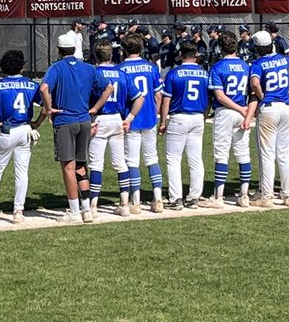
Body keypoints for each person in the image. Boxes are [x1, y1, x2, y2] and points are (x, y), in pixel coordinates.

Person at [40, 32, 112, 223]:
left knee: (68, 167)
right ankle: (86, 208)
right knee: (81, 165)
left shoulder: (56, 68)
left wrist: (48, 109)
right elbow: (108, 87)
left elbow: (44, 88)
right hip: (84, 120)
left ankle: (73, 210)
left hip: (65, 120)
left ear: (59, 50)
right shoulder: (88, 68)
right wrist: (95, 108)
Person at [0, 49, 44, 223]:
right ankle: (18, 211)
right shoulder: (31, 84)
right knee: (21, 172)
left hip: (7, 129)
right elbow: (46, 106)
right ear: (22, 67)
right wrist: (37, 122)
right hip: (25, 129)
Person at [88, 40, 142, 217]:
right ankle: (124, 204)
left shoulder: (93, 73)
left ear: (96, 56)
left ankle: (93, 206)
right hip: (117, 119)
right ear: (111, 55)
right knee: (120, 163)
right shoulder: (122, 73)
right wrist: (129, 118)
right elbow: (139, 98)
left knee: (96, 164)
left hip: (100, 118)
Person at [245, 30, 289, 207]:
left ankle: (267, 195)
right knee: (284, 154)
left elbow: (254, 83)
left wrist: (261, 97)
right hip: (286, 108)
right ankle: (287, 193)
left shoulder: (258, 63)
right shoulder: (283, 60)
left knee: (267, 154)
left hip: (270, 108)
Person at [159, 39, 213, 209]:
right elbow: (209, 99)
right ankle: (194, 197)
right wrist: (204, 117)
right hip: (197, 116)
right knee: (195, 159)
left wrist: (162, 121)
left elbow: (166, 100)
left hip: (179, 116)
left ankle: (176, 199)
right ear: (196, 55)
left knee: (174, 160)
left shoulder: (174, 74)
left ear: (180, 55)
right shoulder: (204, 73)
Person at [118, 33, 165, 213]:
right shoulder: (151, 68)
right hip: (149, 117)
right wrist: (155, 113)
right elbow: (158, 94)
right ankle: (158, 198)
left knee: (132, 160)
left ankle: (135, 201)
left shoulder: (120, 69)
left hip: (130, 117)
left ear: (123, 50)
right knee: (152, 158)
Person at [208, 30, 253, 207]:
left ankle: (218, 197)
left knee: (221, 154)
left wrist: (239, 108)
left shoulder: (218, 67)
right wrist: (244, 110)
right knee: (243, 153)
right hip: (242, 110)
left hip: (227, 111)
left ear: (221, 47)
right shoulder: (245, 66)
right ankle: (244, 195)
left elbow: (219, 96)